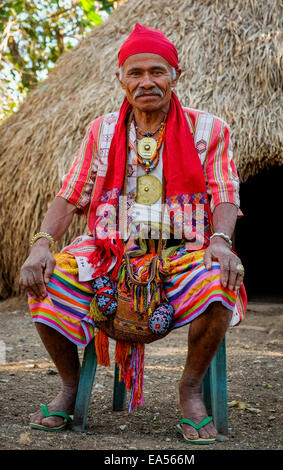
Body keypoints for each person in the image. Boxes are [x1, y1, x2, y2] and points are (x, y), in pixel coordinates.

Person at [19, 24, 247, 444]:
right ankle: (69, 387)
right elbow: (70, 196)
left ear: (175, 76)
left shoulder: (209, 129)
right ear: (120, 79)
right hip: (110, 248)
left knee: (221, 278)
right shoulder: (101, 130)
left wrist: (221, 240)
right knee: (45, 279)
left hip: (185, 249)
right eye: (136, 72)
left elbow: (224, 191)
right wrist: (41, 245)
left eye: (157, 71)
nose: (146, 81)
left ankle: (191, 390)